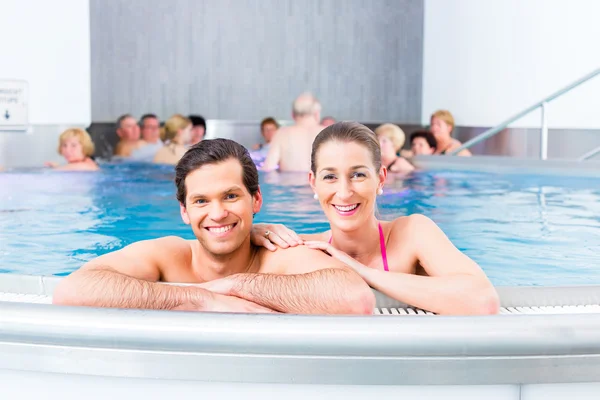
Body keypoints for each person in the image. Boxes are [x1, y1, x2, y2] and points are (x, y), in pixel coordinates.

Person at [53, 138, 374, 314]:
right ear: (184, 211)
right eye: (201, 201)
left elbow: (355, 298)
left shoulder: (280, 255)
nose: (217, 213)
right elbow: (71, 289)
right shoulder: (169, 254)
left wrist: (235, 285)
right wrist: (198, 298)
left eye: (231, 196)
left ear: (256, 200)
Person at [251, 122, 499, 316]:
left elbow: (483, 301)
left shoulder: (412, 234)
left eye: (358, 174)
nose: (345, 192)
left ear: (380, 178)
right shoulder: (301, 247)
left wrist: (361, 271)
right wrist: (250, 232)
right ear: (313, 183)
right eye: (330, 177)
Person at [262, 93, 324, 172]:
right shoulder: (329, 134)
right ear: (317, 114)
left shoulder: (282, 134)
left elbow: (267, 169)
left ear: (293, 115)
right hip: (318, 183)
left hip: (290, 182)